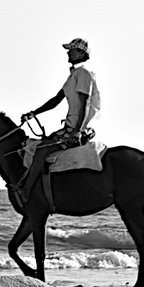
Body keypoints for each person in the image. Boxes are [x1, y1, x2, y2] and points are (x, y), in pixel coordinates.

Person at [16, 37, 101, 205]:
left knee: (41, 151)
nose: (68, 52)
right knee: (40, 146)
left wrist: (77, 131)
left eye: (71, 50)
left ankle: (26, 191)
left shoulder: (84, 74)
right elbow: (56, 100)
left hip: (78, 129)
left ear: (81, 53)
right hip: (70, 127)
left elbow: (85, 103)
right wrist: (34, 113)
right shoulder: (73, 76)